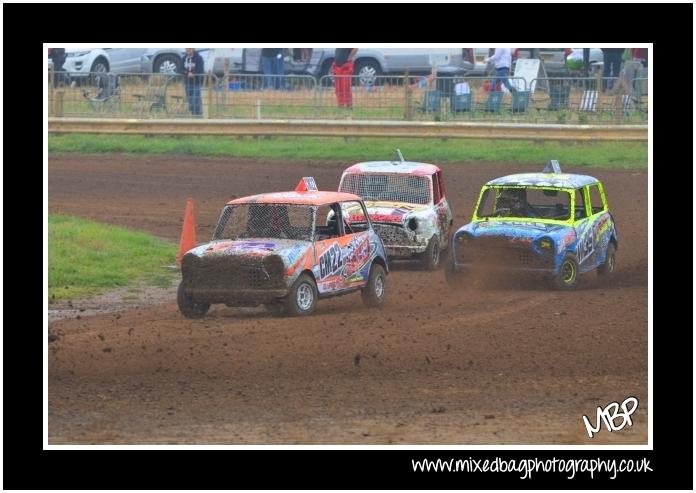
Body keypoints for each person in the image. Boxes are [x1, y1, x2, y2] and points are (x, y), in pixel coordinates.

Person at [182, 48, 204, 115]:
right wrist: (187, 73)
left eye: (190, 48)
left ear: (193, 49)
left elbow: (200, 70)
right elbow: (180, 69)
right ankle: (192, 113)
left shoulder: (199, 58)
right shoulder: (184, 58)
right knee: (190, 100)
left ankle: (198, 114)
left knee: (195, 99)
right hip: (187, 82)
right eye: (187, 48)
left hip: (197, 82)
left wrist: (193, 74)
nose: (188, 49)